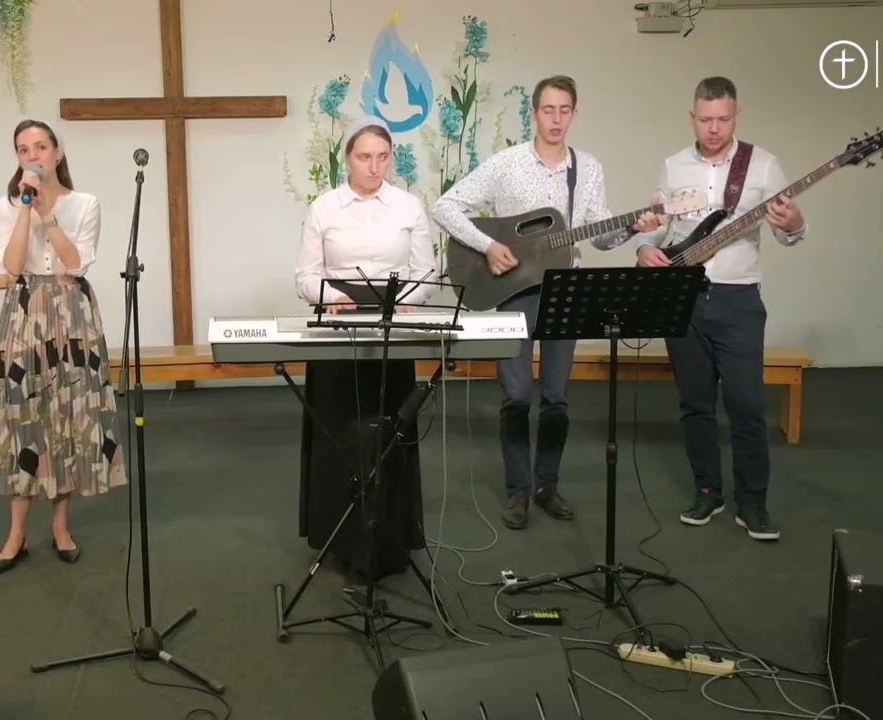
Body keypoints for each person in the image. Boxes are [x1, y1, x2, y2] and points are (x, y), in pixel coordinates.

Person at [433, 75, 658, 530]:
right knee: (516, 395)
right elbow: (445, 207)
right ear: (534, 113)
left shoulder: (587, 169)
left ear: (575, 114)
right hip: (513, 292)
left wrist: (634, 226)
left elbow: (600, 234)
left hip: (564, 292)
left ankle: (547, 486)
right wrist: (488, 246)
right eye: (548, 110)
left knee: (556, 398)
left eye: (564, 110)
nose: (556, 119)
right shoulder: (507, 164)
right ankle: (518, 492)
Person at [632, 77, 807, 542]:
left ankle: (753, 503)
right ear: (692, 118)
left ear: (737, 117)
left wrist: (795, 223)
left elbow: (788, 233)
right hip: (683, 297)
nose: (714, 128)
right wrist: (645, 249)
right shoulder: (673, 167)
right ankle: (707, 490)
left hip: (738, 299)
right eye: (706, 119)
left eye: (723, 119)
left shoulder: (763, 165)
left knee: (747, 406)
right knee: (695, 405)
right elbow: (658, 227)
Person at [294, 116, 437, 580]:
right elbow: (305, 276)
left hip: (392, 333)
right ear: (348, 160)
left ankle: (390, 541)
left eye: (382, 157)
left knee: (389, 433)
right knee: (342, 435)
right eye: (364, 157)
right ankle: (342, 540)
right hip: (339, 335)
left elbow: (426, 273)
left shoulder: (409, 207)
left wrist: (407, 300)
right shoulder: (325, 207)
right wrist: (332, 297)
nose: (374, 166)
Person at [0, 120, 127, 573]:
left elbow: (76, 262)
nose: (33, 156)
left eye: (41, 147)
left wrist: (48, 216)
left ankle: (61, 527)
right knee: (23, 416)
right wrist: (25, 210)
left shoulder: (85, 204)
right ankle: (16, 534)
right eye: (23, 149)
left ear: (57, 153)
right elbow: (13, 266)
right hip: (25, 310)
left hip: (71, 313)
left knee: (68, 413)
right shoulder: (5, 206)